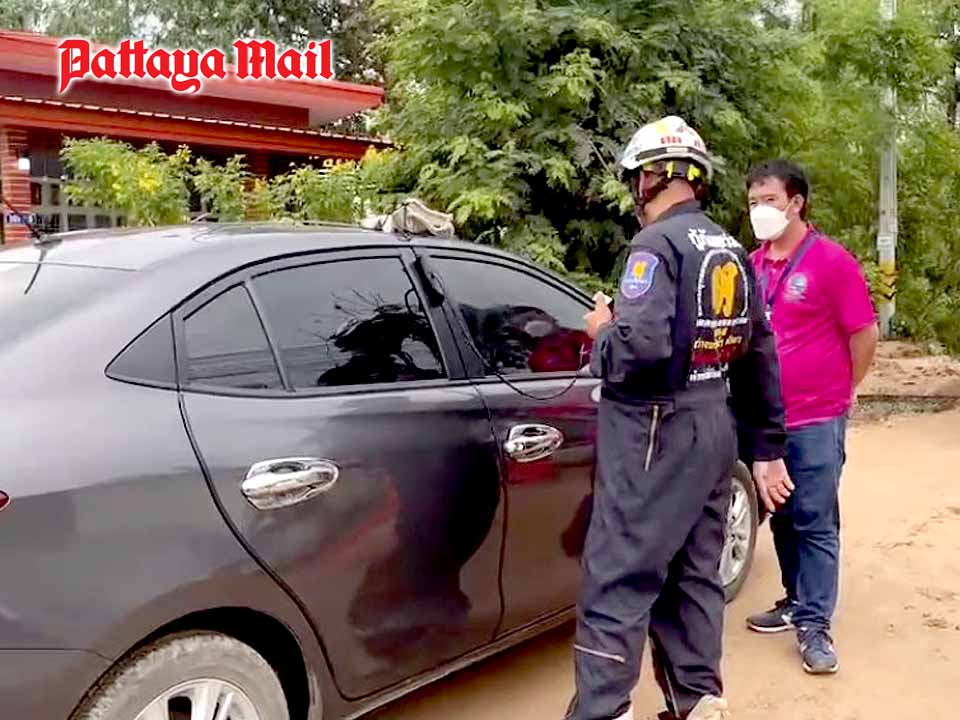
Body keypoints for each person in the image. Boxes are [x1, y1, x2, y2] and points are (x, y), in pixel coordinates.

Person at [565, 116, 792, 720]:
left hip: (654, 432)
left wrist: (602, 331)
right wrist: (766, 445)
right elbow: (760, 353)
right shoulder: (730, 248)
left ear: (650, 178)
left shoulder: (654, 247)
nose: (633, 193)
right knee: (694, 575)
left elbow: (639, 349)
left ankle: (602, 710)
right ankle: (699, 702)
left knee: (619, 577)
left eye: (635, 180)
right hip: (713, 425)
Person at [744, 160, 879, 675]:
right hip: (767, 422)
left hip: (818, 417)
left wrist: (847, 389)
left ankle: (815, 625)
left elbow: (864, 333)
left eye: (770, 201)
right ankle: (794, 599)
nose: (760, 211)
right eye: (753, 202)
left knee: (815, 519)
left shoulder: (831, 262)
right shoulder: (752, 265)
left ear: (796, 203)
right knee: (780, 513)